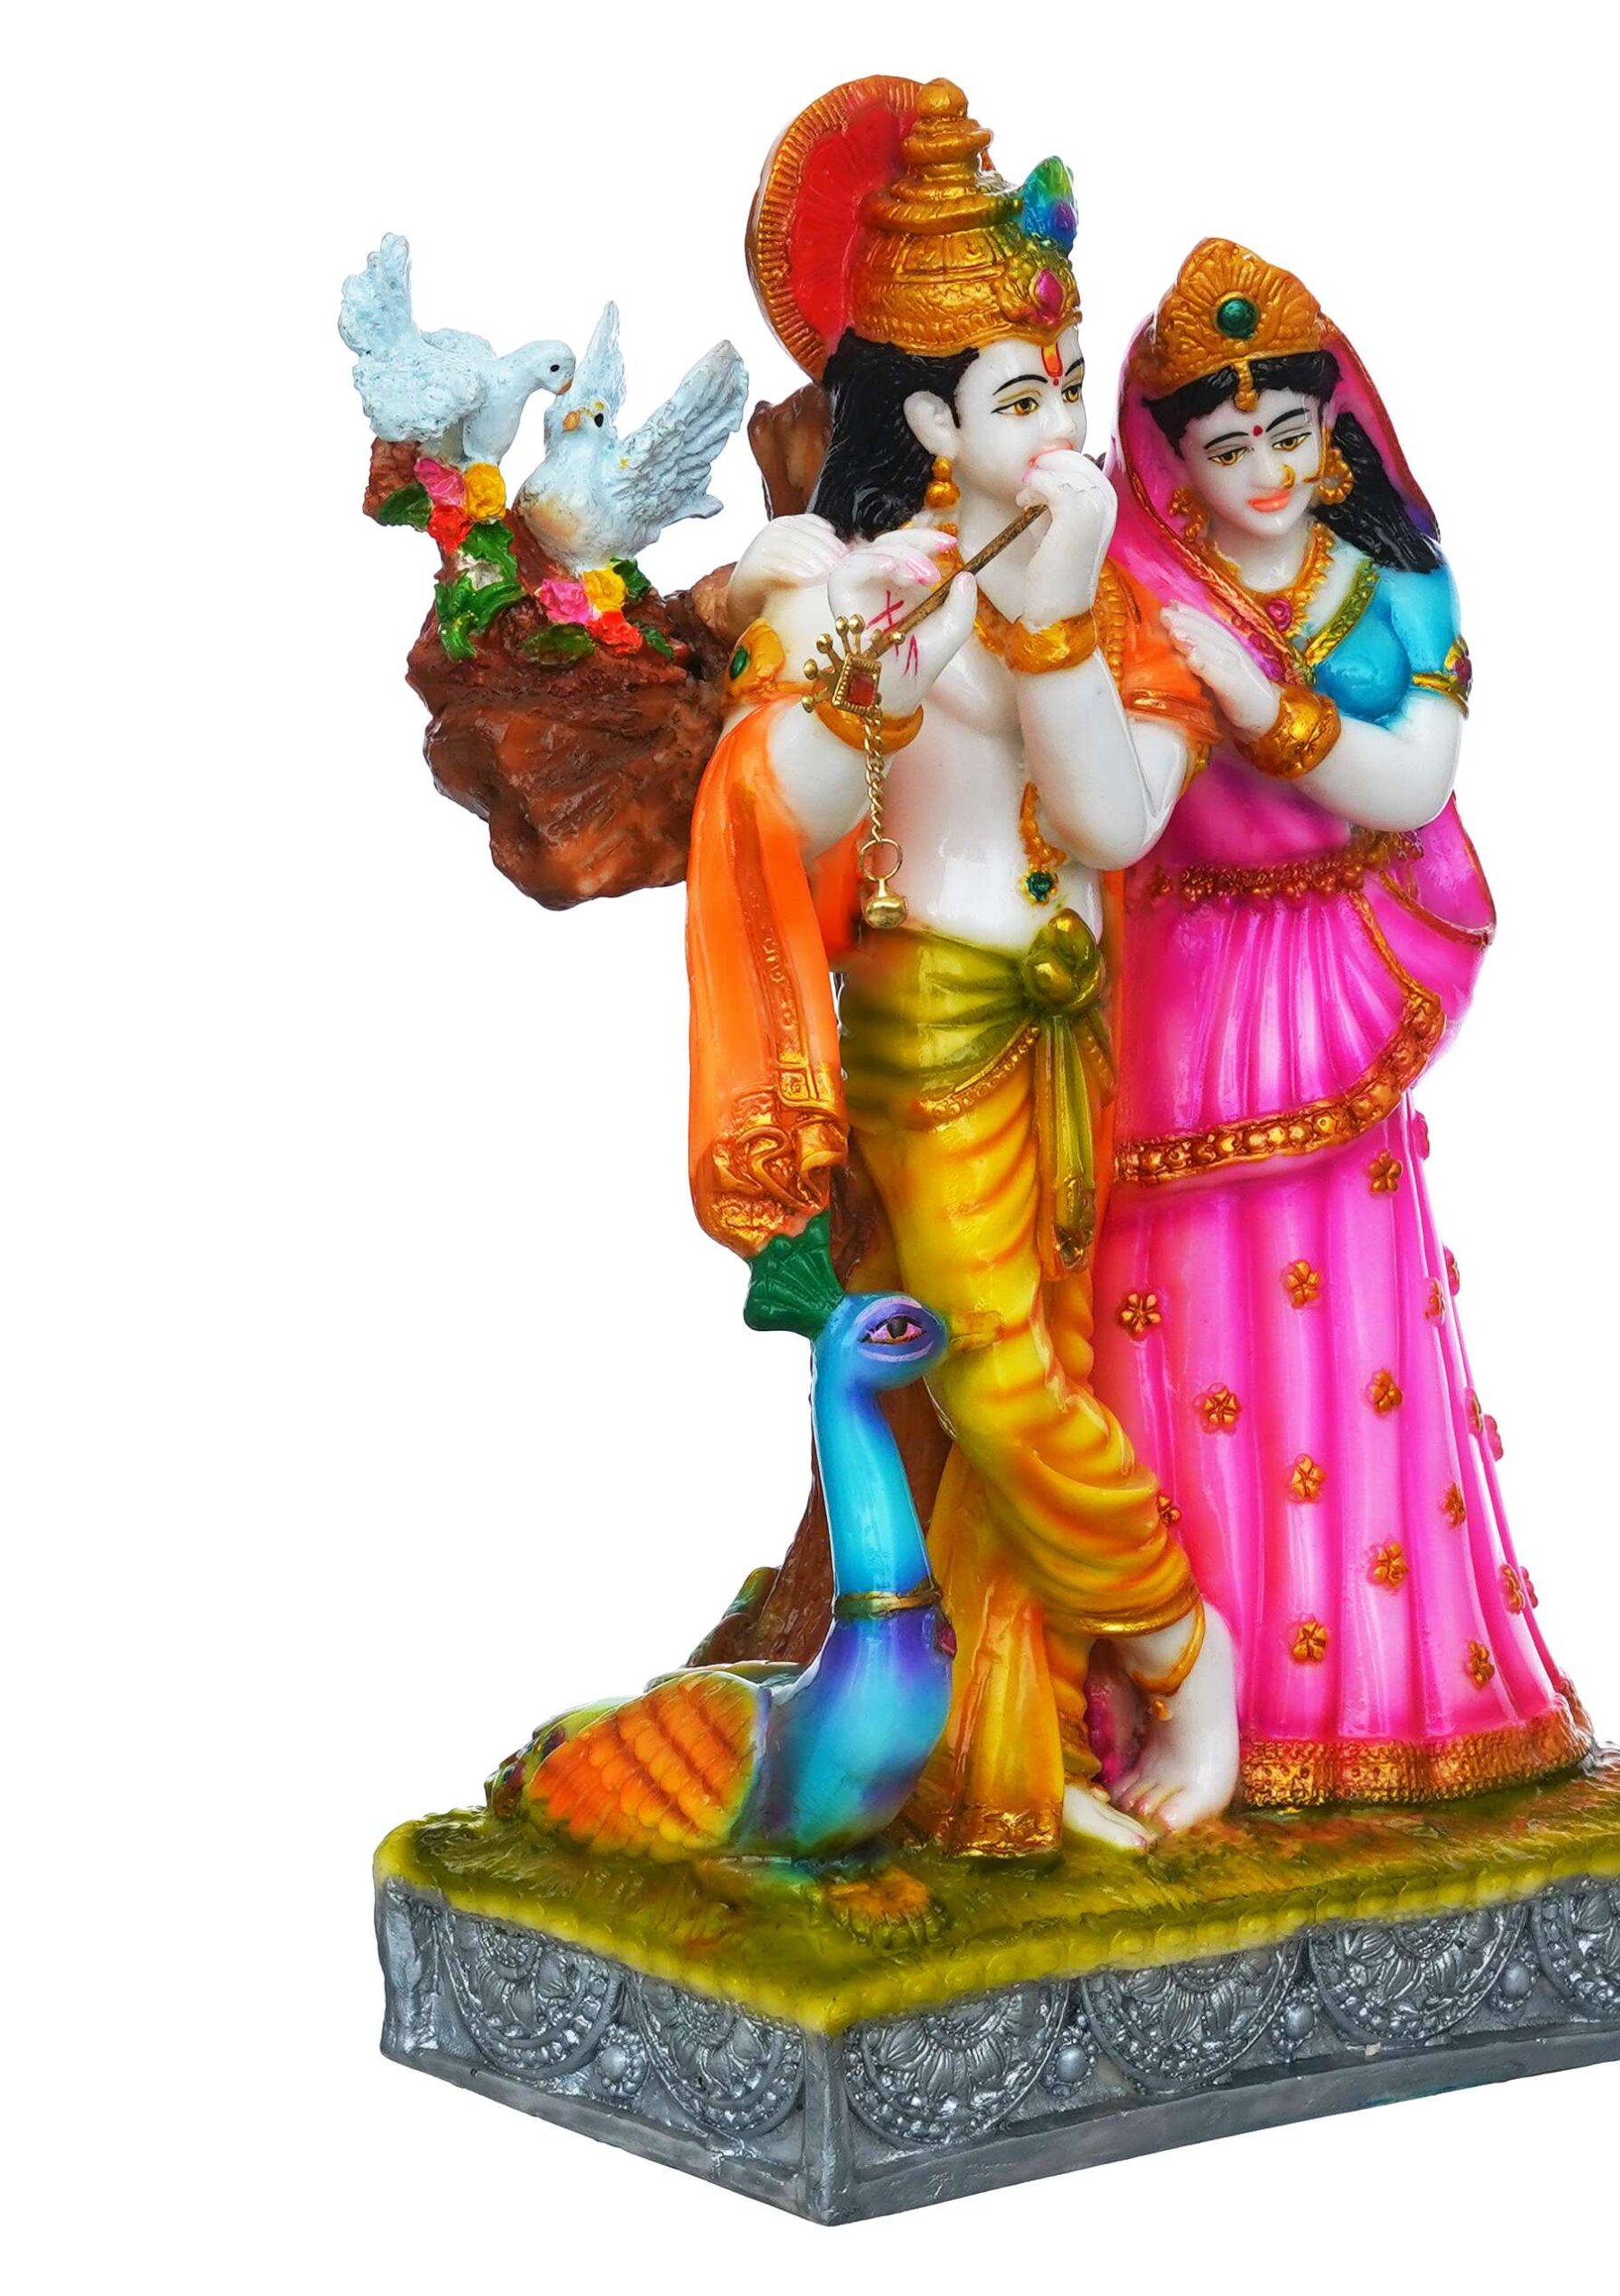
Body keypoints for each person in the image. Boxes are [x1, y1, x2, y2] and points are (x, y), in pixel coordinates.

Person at [689, 81, 1240, 1855]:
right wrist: (869, 663)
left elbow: (1114, 819)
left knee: (1060, 1365)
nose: (1063, 427)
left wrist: (1056, 625)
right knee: (986, 1373)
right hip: (926, 1025)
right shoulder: (844, 583)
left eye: (1067, 384)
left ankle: (1025, 1737)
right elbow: (774, 808)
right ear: (924, 413)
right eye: (1020, 398)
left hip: (1080, 1020)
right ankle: (1184, 1652)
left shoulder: (1095, 586)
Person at [1092, 239, 1591, 1812]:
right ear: (1172, 457)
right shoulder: (1131, 579)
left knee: (1344, 1306)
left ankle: (1359, 1698)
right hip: (1171, 978)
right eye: (1227, 447)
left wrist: (1257, 701)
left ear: (1335, 428)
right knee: (1156, 1309)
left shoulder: (1393, 576)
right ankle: (1158, 1689)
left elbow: (1413, 780)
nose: (1265, 474)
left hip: (1335, 966)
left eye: (1291, 436)